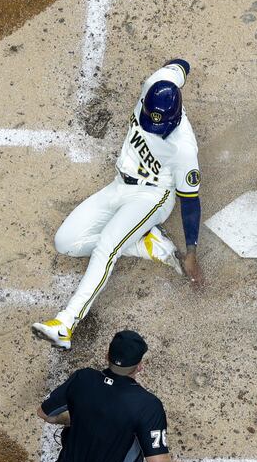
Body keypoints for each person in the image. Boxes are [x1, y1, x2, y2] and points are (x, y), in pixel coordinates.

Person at [33, 59, 204, 349]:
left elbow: (190, 202)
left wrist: (191, 251)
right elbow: (180, 65)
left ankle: (66, 323)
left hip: (151, 197)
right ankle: (146, 245)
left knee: (106, 248)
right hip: (118, 185)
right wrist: (178, 70)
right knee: (66, 242)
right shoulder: (157, 83)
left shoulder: (183, 148)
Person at [37, 330, 187, 462]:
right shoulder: (148, 405)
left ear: (107, 356)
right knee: (136, 442)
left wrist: (73, 419)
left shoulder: (82, 378)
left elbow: (44, 413)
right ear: (139, 367)